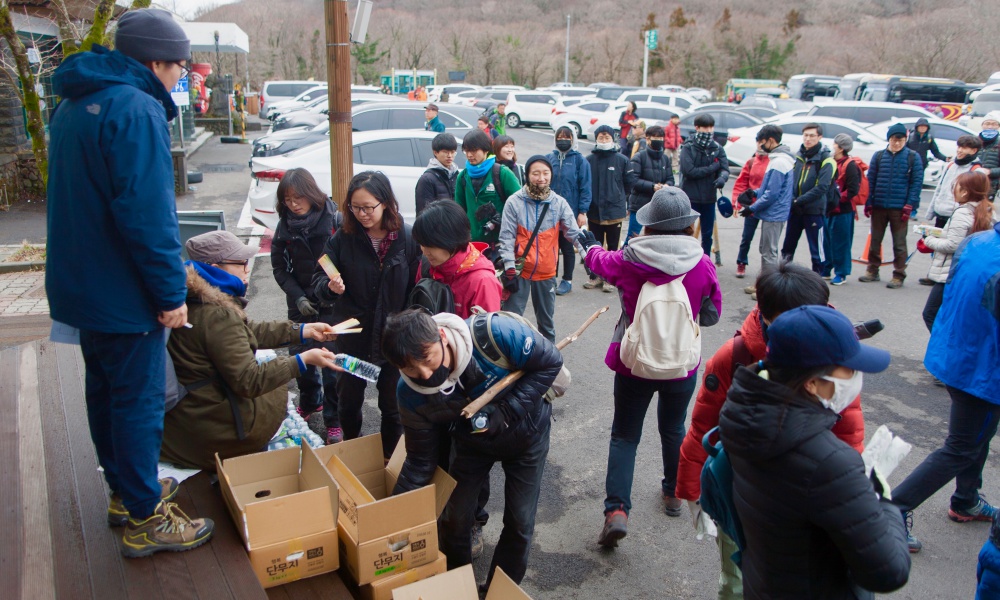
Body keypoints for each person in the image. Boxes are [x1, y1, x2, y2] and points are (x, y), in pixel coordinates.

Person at [45, 8, 213, 557]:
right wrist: (170, 295)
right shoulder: (136, 108)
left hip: (81, 285)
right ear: (156, 61)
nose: (181, 76)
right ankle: (145, 517)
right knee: (139, 402)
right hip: (124, 292)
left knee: (105, 393)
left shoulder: (75, 102)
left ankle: (126, 492)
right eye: (180, 66)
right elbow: (147, 215)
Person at [675, 262, 865, 600]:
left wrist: (854, 484)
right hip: (744, 496)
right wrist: (693, 490)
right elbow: (704, 426)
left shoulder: (833, 353)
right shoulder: (734, 357)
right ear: (766, 316)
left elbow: (848, 424)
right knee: (737, 583)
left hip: (810, 499)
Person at [382, 308, 562, 589]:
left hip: (528, 437)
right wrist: (391, 517)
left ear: (441, 336)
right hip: (470, 444)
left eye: (428, 359)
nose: (426, 374)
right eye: (411, 370)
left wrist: (506, 411)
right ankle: (459, 588)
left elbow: (551, 362)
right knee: (453, 521)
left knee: (519, 523)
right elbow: (419, 460)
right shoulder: (410, 395)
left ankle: (498, 592)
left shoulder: (495, 334)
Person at [583, 188, 722, 547]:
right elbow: (712, 315)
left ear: (650, 225)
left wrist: (588, 241)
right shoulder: (702, 263)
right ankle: (673, 493)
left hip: (634, 364)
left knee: (625, 435)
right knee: (674, 428)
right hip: (681, 366)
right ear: (688, 226)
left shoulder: (629, 259)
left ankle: (616, 512)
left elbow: (597, 260)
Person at [164, 231, 341, 468]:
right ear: (216, 267)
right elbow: (248, 380)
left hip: (190, 415)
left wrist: (303, 330)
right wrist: (303, 359)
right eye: (242, 263)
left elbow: (244, 331)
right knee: (275, 401)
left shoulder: (190, 298)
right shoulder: (216, 313)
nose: (247, 269)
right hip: (213, 425)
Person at [892, 219, 1000, 553]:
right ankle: (893, 509)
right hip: (983, 368)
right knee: (962, 445)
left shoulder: (978, 241)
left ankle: (966, 498)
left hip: (957, 351)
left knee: (977, 434)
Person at [313, 171, 421, 459]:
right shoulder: (343, 239)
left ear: (385, 203)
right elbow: (318, 281)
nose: (362, 214)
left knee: (392, 406)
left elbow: (416, 289)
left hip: (391, 341)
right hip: (354, 341)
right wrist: (330, 288)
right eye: (355, 207)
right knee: (349, 403)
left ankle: (388, 459)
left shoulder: (407, 238)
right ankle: (353, 449)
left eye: (368, 207)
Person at [270, 168, 343, 444]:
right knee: (301, 359)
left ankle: (334, 419)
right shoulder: (284, 227)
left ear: (311, 194)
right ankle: (311, 401)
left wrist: (331, 290)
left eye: (298, 198)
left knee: (332, 361)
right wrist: (298, 296)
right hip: (298, 300)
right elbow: (279, 268)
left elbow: (339, 263)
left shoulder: (333, 220)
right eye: (287, 200)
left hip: (331, 299)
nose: (293, 204)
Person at [498, 155, 584, 342]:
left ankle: (548, 360)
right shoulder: (514, 202)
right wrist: (509, 267)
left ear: (551, 176)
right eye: (536, 173)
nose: (541, 178)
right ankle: (511, 357)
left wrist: (591, 255)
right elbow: (506, 237)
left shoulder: (559, 203)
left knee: (546, 324)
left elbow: (573, 234)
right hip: (519, 272)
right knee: (512, 321)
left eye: (546, 173)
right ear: (527, 175)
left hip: (546, 272)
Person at [916, 171, 995, 332]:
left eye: (956, 187)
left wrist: (928, 240)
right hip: (970, 272)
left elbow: (953, 245)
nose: (954, 190)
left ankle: (943, 351)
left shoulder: (963, 212)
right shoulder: (987, 210)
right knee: (955, 316)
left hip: (949, 273)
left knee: (931, 313)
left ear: (965, 191)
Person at [860, 122, 924, 288]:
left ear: (905, 139)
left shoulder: (912, 157)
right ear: (888, 139)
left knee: (899, 243)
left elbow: (916, 183)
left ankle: (899, 274)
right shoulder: (879, 156)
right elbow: (871, 180)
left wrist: (910, 204)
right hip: (879, 205)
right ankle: (872, 270)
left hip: (899, 208)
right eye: (894, 139)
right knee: (875, 240)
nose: (896, 142)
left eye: (900, 139)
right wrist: (869, 202)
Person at [412, 200, 502, 318]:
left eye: (430, 245)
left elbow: (485, 332)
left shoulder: (482, 282)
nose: (424, 251)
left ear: (452, 240)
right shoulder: (427, 265)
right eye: (422, 244)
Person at [739, 125, 795, 301]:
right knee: (766, 250)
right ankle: (762, 285)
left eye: (762, 142)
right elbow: (770, 188)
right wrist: (754, 193)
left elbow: (772, 194)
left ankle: (769, 290)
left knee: (769, 252)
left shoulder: (779, 161)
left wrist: (752, 208)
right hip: (773, 212)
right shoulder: (780, 158)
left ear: (771, 140)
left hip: (774, 214)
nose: (760, 146)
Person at [583, 125, 637, 292]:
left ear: (612, 139)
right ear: (596, 139)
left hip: (615, 210)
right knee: (595, 245)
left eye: (607, 137)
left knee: (613, 247)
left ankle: (610, 278)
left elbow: (629, 184)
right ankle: (595, 276)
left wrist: (621, 199)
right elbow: (585, 184)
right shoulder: (589, 160)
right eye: (601, 137)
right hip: (594, 211)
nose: (604, 140)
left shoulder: (622, 160)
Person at [455, 130, 520, 253]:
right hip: (472, 245)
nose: (469, 155)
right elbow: (459, 211)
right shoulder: (462, 177)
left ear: (485, 150)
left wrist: (502, 218)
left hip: (500, 244)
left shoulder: (502, 173)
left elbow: (521, 204)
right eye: (466, 151)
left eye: (473, 150)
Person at [781, 122, 833, 275]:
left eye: (812, 136)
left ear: (820, 137)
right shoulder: (798, 156)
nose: (808, 139)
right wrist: (792, 200)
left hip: (814, 210)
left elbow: (822, 187)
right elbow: (790, 180)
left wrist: (798, 200)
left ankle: (818, 279)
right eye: (806, 135)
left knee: (816, 250)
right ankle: (783, 280)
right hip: (796, 210)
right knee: (787, 248)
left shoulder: (826, 159)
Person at [546, 126, 592, 295]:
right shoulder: (549, 158)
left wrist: (583, 211)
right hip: (549, 213)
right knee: (551, 247)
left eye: (567, 137)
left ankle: (567, 280)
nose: (563, 140)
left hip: (570, 212)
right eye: (560, 136)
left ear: (573, 139)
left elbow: (585, 187)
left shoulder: (580, 160)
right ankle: (551, 279)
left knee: (567, 247)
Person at [680, 113, 730, 256]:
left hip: (709, 197)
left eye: (711, 127)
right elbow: (690, 171)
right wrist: (713, 168)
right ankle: (686, 259)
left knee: (707, 235)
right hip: (690, 197)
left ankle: (705, 261)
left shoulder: (717, 148)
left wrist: (722, 178)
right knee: (686, 233)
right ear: (697, 128)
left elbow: (725, 168)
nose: (708, 131)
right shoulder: (688, 147)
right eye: (705, 128)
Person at [822, 133, 862, 286]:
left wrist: (836, 199)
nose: (833, 147)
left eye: (835, 144)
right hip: (829, 209)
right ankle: (826, 268)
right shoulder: (832, 162)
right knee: (826, 241)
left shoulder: (851, 165)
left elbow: (853, 190)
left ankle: (841, 272)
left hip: (843, 210)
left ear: (842, 148)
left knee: (841, 242)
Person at [625, 125, 675, 244]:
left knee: (656, 239)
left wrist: (667, 185)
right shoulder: (639, 157)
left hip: (659, 205)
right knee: (632, 238)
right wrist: (653, 186)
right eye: (655, 138)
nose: (659, 141)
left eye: (661, 139)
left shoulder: (665, 159)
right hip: (639, 204)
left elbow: (670, 178)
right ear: (647, 139)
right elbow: (633, 180)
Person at [922, 134, 983, 231]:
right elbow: (939, 189)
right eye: (959, 147)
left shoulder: (976, 171)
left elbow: (976, 199)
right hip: (940, 214)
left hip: (958, 219)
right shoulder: (950, 165)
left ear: (974, 151)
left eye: (964, 148)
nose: (959, 150)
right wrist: (929, 215)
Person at [732, 140, 770, 279]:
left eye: (764, 143)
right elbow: (741, 182)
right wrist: (736, 203)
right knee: (746, 237)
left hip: (767, 207)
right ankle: (741, 262)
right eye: (759, 142)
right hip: (752, 206)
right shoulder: (751, 162)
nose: (760, 145)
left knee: (767, 242)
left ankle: (767, 270)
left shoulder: (774, 162)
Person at [415, 132, 459, 215]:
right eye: (445, 152)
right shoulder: (427, 179)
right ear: (435, 152)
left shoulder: (457, 175)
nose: (449, 156)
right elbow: (423, 213)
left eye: (452, 152)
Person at [979, 112, 1000, 200]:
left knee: (984, 210)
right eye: (987, 123)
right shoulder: (975, 141)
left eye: (994, 124)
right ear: (982, 125)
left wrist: (990, 171)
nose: (990, 127)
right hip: (972, 182)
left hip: (990, 185)